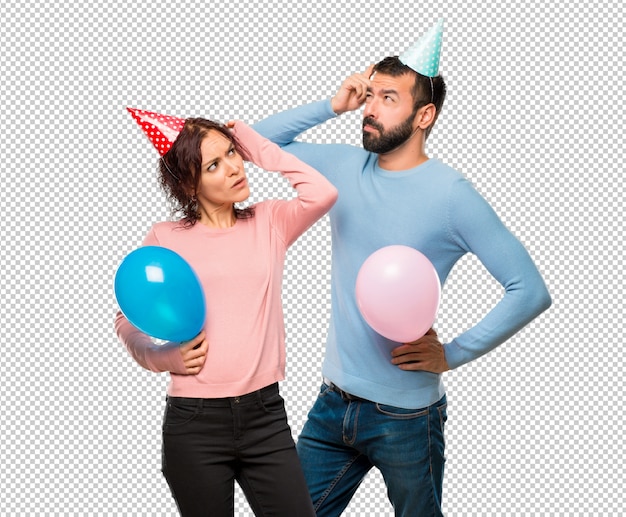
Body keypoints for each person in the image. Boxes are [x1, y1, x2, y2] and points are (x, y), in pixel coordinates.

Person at [253, 20, 552, 517]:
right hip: (332, 403)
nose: (370, 108)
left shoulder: (453, 195)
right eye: (370, 95)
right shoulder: (342, 168)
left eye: (388, 98)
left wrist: (452, 354)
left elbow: (528, 289)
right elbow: (250, 144)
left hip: (406, 417)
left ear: (423, 115)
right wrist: (333, 104)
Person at [115, 108, 337, 516]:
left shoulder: (269, 221)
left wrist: (258, 147)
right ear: (189, 183)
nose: (234, 168)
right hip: (195, 423)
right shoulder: (166, 238)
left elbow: (322, 193)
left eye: (233, 154)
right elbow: (127, 318)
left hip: (265, 416)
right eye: (214, 165)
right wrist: (163, 357)